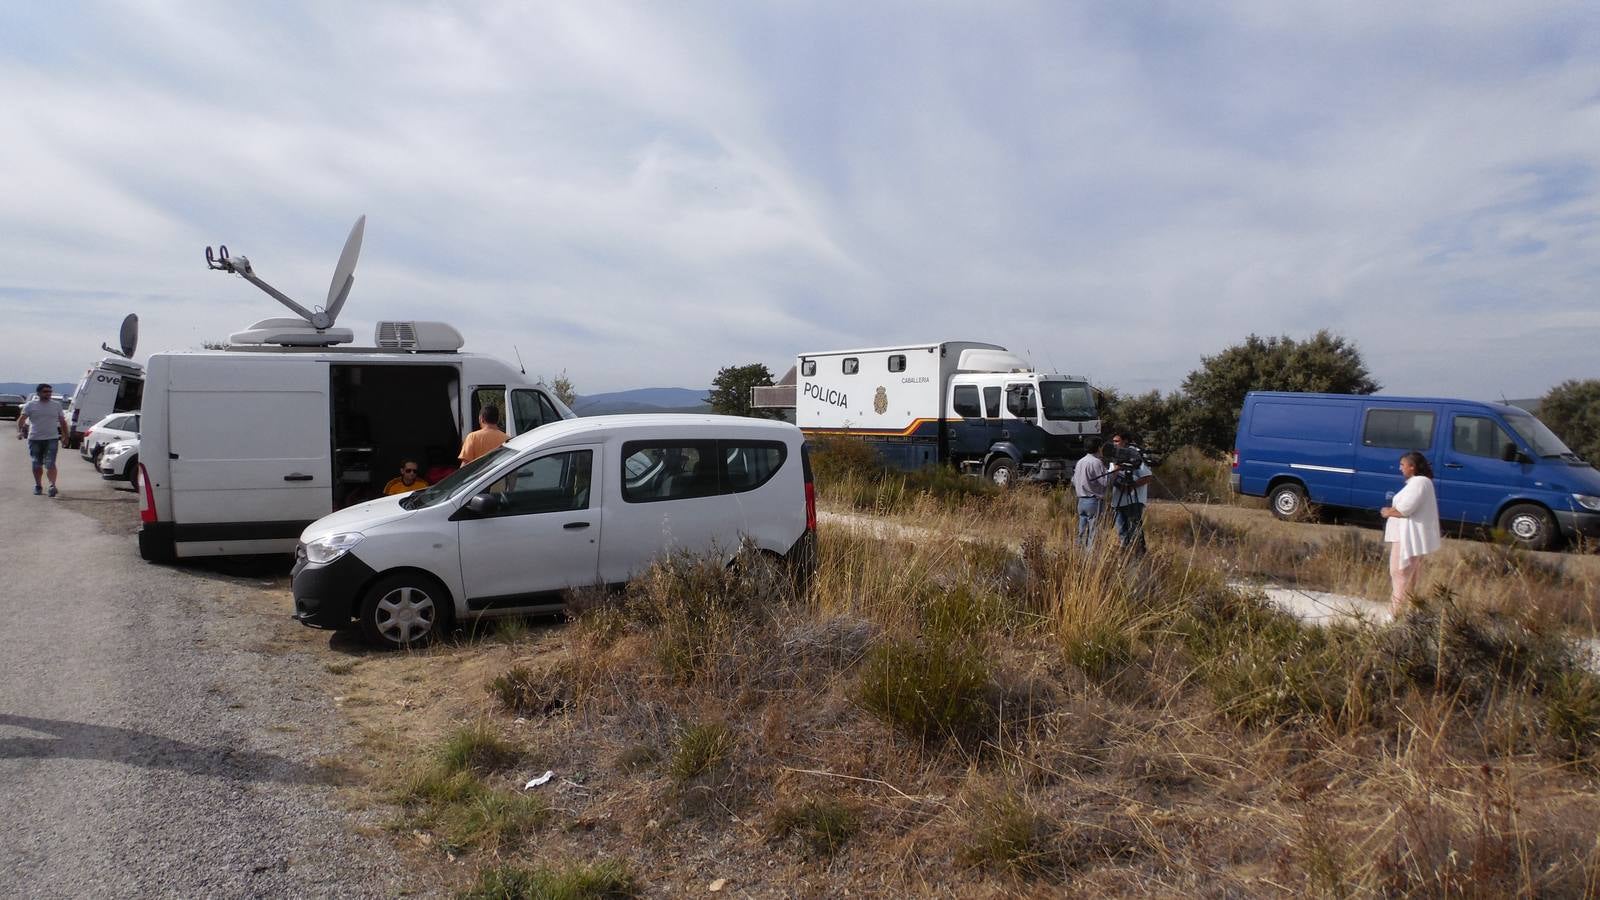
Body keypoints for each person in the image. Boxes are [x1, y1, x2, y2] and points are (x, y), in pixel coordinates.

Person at [1381, 450, 1441, 614]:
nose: (1400, 468)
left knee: (1400, 573)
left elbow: (1406, 508)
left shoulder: (1419, 483)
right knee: (1407, 576)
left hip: (1406, 537)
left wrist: (1388, 512)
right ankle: (1407, 611)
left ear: (1412, 467)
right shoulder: (1422, 483)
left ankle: (1395, 613)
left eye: (1402, 465)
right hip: (1406, 536)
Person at [17, 384, 69, 497]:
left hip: (52, 438)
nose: (48, 394)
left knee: (50, 463)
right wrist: (20, 431)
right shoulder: (30, 405)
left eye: (50, 392)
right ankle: (38, 485)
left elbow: (62, 422)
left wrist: (65, 436)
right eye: (45, 391)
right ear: (39, 393)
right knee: (36, 464)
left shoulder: (56, 405)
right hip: (35, 439)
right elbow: (21, 420)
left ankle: (52, 486)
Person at [1107, 433, 1153, 553]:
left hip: (1133, 501)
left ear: (1125, 441)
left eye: (1117, 441)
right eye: (1113, 441)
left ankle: (1139, 552)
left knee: (1135, 530)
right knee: (1122, 531)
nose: (1114, 444)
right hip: (1118, 501)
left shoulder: (1134, 456)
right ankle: (1124, 553)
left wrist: (1131, 487)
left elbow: (1147, 477)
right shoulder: (1114, 457)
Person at [1071, 437, 1108, 546]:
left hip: (1081, 501)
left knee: (1082, 532)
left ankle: (1080, 556)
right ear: (1098, 448)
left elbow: (1074, 480)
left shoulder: (1080, 462)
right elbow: (1105, 482)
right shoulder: (1096, 462)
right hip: (1093, 501)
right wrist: (1113, 472)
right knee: (1093, 533)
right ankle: (1091, 559)